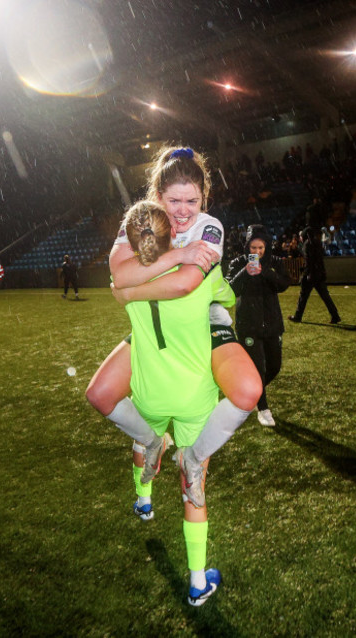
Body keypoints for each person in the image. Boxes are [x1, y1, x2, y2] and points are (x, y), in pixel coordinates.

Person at [85, 146, 262, 496]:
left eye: (191, 202)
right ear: (158, 196)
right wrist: (180, 254)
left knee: (246, 391)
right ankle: (152, 442)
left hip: (204, 321)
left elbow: (184, 284)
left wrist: (133, 292)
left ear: (204, 199)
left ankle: (193, 458)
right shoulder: (139, 219)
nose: (183, 213)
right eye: (174, 202)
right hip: (157, 322)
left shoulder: (210, 226)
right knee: (100, 394)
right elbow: (118, 274)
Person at [111, 200, 235, 606]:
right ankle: (198, 581)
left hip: (149, 385)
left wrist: (125, 290)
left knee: (141, 439)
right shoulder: (198, 273)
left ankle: (144, 501)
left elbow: (120, 273)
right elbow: (224, 299)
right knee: (193, 485)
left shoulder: (130, 281)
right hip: (195, 392)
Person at [227, 224, 290, 427]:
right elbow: (230, 291)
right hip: (248, 326)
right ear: (247, 247)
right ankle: (263, 409)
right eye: (253, 248)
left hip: (272, 323)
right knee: (257, 368)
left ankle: (252, 393)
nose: (257, 252)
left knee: (274, 366)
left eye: (261, 248)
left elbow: (284, 284)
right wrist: (245, 272)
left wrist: (266, 272)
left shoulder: (275, 262)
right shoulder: (237, 263)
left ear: (266, 247)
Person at [288, 227, 341, 324]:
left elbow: (309, 260)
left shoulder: (307, 244)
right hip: (319, 274)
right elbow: (319, 260)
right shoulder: (318, 243)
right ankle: (335, 315)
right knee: (325, 296)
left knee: (303, 297)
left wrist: (307, 272)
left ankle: (297, 316)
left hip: (310, 275)